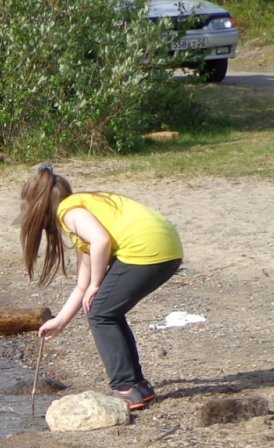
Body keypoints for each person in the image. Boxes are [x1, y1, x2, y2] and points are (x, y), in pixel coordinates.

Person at [19, 164, 183, 411]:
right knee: (108, 310)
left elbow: (101, 241)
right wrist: (60, 321)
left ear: (39, 207)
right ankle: (139, 386)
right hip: (168, 249)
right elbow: (81, 286)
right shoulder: (84, 212)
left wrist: (97, 284)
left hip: (146, 249)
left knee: (100, 312)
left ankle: (125, 389)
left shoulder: (69, 212)